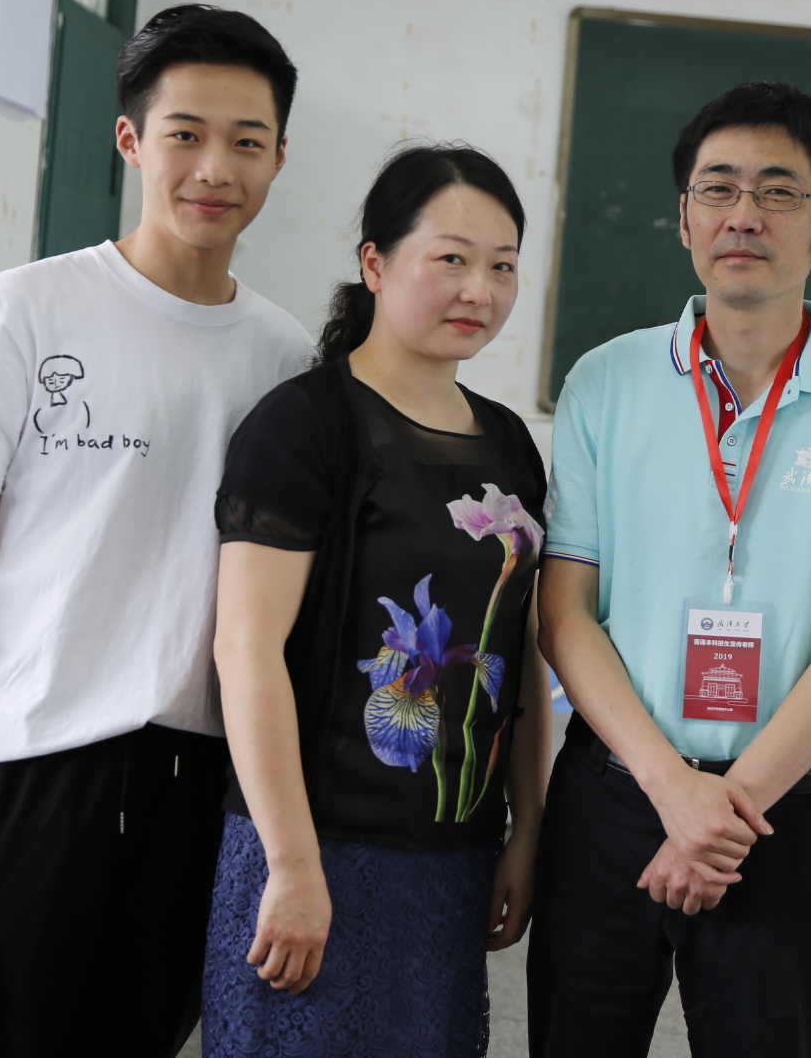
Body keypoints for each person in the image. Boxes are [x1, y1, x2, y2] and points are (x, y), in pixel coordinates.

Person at [0, 5, 314, 1056]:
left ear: (279, 157)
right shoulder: (23, 310)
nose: (214, 168)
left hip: (190, 781)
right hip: (23, 761)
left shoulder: (286, 356)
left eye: (246, 141)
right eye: (185, 134)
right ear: (131, 140)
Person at [530, 81, 811, 1057]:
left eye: (778, 192)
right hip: (614, 791)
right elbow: (565, 615)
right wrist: (673, 790)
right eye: (717, 188)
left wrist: (723, 809)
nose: (744, 215)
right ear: (684, 218)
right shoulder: (605, 381)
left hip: (783, 805)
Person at [201, 144, 552, 1057]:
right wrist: (290, 863)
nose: (479, 290)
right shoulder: (305, 425)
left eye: (503, 266)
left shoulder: (510, 444)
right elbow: (246, 651)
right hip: (314, 848)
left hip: (453, 860)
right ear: (375, 263)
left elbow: (519, 655)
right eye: (451, 259)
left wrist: (526, 828)